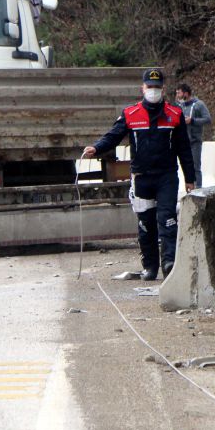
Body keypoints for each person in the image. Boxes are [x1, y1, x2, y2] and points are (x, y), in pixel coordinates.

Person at [84, 67, 195, 281]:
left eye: (157, 87)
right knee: (146, 224)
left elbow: (184, 148)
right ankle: (150, 266)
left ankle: (169, 263)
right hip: (141, 177)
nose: (153, 90)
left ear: (163, 89)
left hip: (166, 176)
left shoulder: (175, 114)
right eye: (149, 86)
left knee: (167, 219)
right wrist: (96, 148)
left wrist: (190, 178)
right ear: (142, 88)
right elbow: (113, 136)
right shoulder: (130, 114)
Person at [174, 83, 212, 187]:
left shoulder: (198, 104)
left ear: (186, 93)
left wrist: (192, 121)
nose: (177, 95)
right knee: (185, 167)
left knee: (196, 167)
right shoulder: (179, 106)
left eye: (179, 93)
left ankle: (198, 188)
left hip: (195, 141)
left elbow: (208, 119)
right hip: (182, 142)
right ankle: (189, 187)